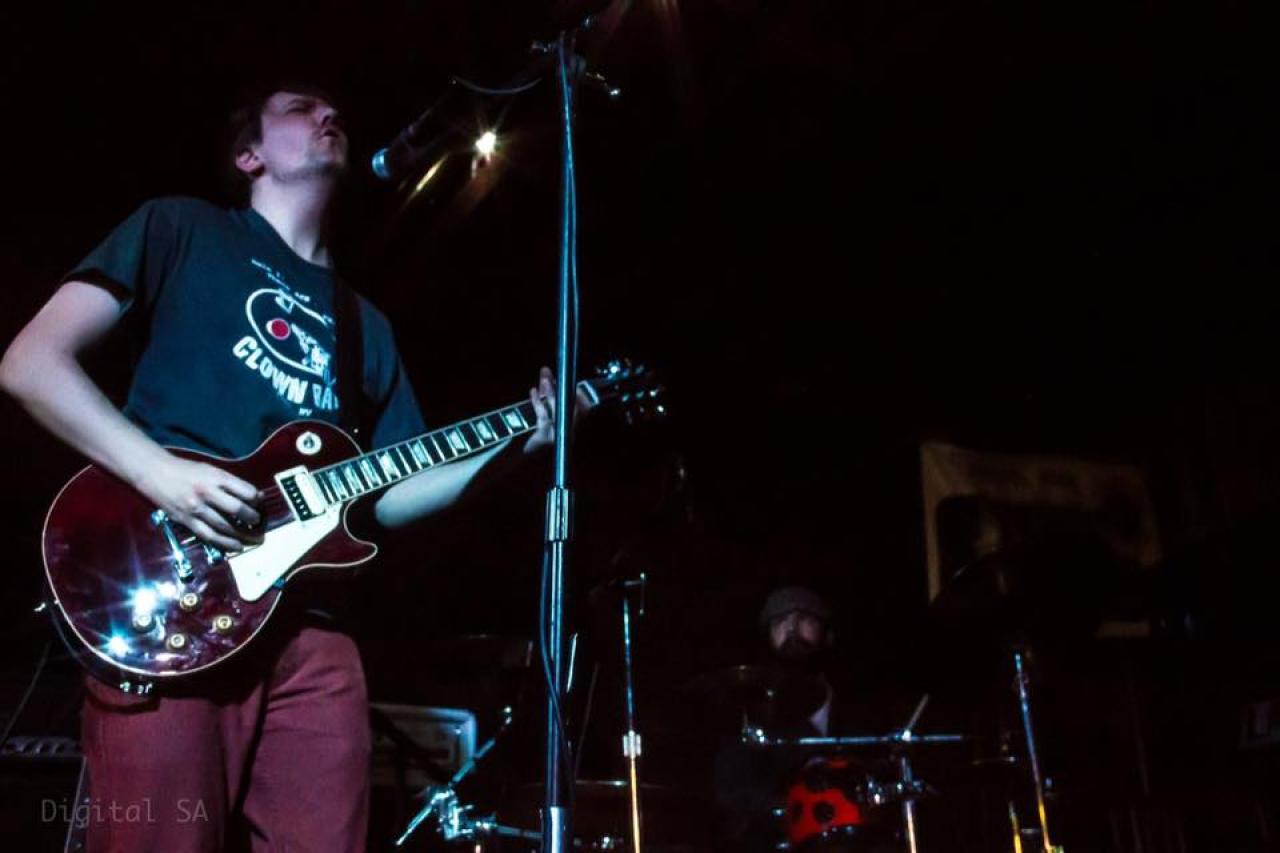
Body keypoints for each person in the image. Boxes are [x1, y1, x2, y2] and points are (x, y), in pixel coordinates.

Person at [0, 83, 570, 852]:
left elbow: (387, 496)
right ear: (249, 155)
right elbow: (31, 362)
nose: (329, 114)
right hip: (171, 588)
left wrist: (521, 442)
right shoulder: (181, 228)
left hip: (313, 629)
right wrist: (160, 474)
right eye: (300, 107)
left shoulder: (365, 325)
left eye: (335, 108)